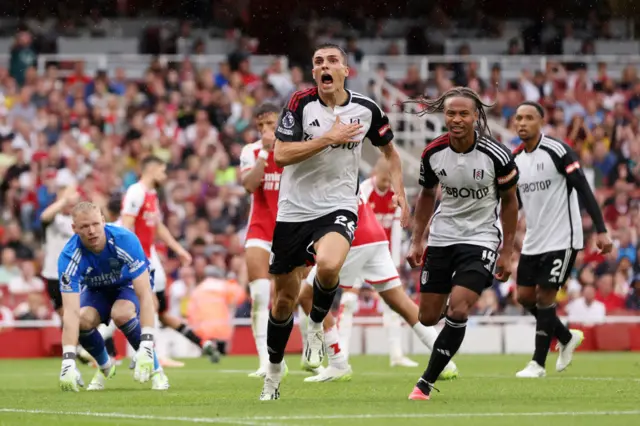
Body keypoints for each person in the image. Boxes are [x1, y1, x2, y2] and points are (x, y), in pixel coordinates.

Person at [261, 43, 410, 401]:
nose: (324, 66)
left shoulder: (367, 109)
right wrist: (328, 137)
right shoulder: (300, 103)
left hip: (340, 204)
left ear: (345, 70)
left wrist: (401, 193)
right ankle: (273, 376)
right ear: (314, 74)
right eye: (317, 62)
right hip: (294, 210)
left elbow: (390, 151)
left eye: (331, 61)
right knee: (282, 302)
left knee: (329, 266)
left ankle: (315, 328)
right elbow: (281, 154)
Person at [404, 87, 520, 401]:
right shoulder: (432, 153)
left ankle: (425, 383)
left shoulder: (496, 155)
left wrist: (507, 252)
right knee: (427, 317)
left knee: (458, 308)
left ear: (475, 117)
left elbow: (510, 203)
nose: (456, 119)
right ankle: (449, 334)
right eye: (451, 113)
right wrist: (417, 239)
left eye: (463, 114)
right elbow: (427, 195)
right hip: (442, 238)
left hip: (481, 237)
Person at [298, 197, 458, 382]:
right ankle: (445, 361)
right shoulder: (350, 176)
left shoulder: (318, 178)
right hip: (375, 235)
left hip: (351, 237)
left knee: (307, 296)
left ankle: (338, 363)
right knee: (400, 302)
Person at [512, 101, 613, 378]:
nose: (522, 123)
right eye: (518, 118)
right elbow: (516, 202)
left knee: (545, 296)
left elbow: (582, 187)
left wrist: (601, 230)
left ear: (540, 122)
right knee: (523, 296)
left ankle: (537, 363)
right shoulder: (516, 159)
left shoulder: (557, 150)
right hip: (534, 239)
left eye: (529, 118)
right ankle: (566, 337)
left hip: (563, 237)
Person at [58, 202, 169, 392]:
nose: (92, 231)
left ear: (103, 220)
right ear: (74, 228)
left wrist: (147, 342)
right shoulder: (68, 257)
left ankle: (157, 371)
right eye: (84, 227)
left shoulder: (124, 239)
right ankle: (105, 365)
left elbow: (144, 295)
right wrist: (68, 360)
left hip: (127, 285)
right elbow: (70, 312)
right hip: (97, 290)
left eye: (95, 224)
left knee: (122, 314)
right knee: (82, 321)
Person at [120, 155, 219, 364]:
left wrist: (178, 249)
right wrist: (128, 258)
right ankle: (151, 353)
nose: (165, 175)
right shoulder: (135, 193)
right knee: (148, 304)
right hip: (138, 258)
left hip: (150, 255)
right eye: (163, 171)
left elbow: (156, 226)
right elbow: (126, 225)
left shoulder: (152, 193)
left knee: (158, 308)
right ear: (152, 170)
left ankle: (147, 351)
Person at [344, 157, 416, 367]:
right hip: (358, 251)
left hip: (380, 256)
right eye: (384, 179)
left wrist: (394, 263)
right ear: (375, 173)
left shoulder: (395, 195)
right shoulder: (364, 190)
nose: (386, 185)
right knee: (348, 303)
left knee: (392, 305)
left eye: (389, 180)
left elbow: (395, 231)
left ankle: (396, 355)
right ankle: (342, 356)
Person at [239, 103, 282, 378]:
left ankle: (310, 353)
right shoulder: (251, 151)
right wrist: (265, 152)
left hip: (290, 231)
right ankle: (264, 360)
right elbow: (248, 185)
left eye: (270, 125)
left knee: (290, 296)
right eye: (261, 126)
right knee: (259, 295)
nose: (265, 130)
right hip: (259, 230)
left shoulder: (296, 148)